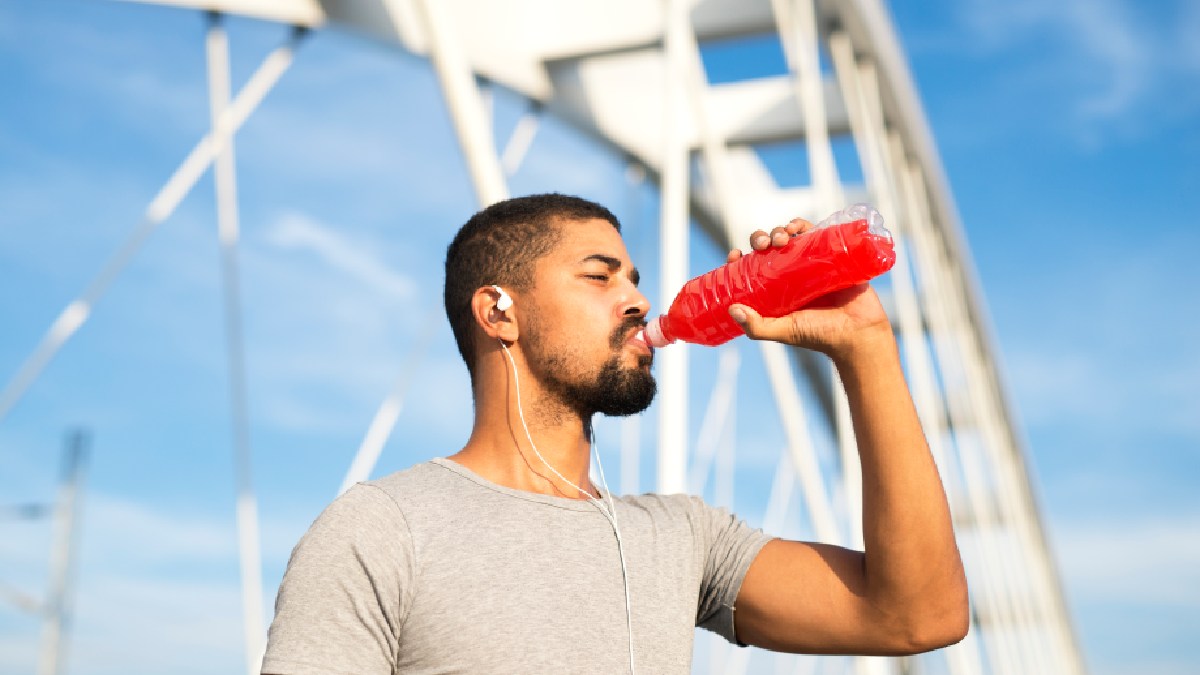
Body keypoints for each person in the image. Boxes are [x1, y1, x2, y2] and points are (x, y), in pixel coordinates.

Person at [261, 193, 968, 675]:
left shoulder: (683, 537)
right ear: (499, 312)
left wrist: (865, 345)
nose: (638, 300)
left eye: (633, 279)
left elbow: (918, 615)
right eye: (599, 278)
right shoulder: (382, 529)